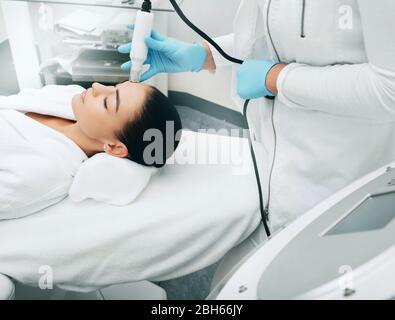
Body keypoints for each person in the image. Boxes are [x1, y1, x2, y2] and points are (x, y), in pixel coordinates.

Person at [119, 0, 395, 231]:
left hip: (338, 183)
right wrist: (202, 55)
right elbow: (269, 38)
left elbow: (390, 86)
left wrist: (276, 78)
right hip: (271, 171)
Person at [0, 81, 182, 219]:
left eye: (106, 102)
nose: (96, 86)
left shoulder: (43, 171)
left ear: (114, 147)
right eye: (113, 87)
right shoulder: (73, 96)